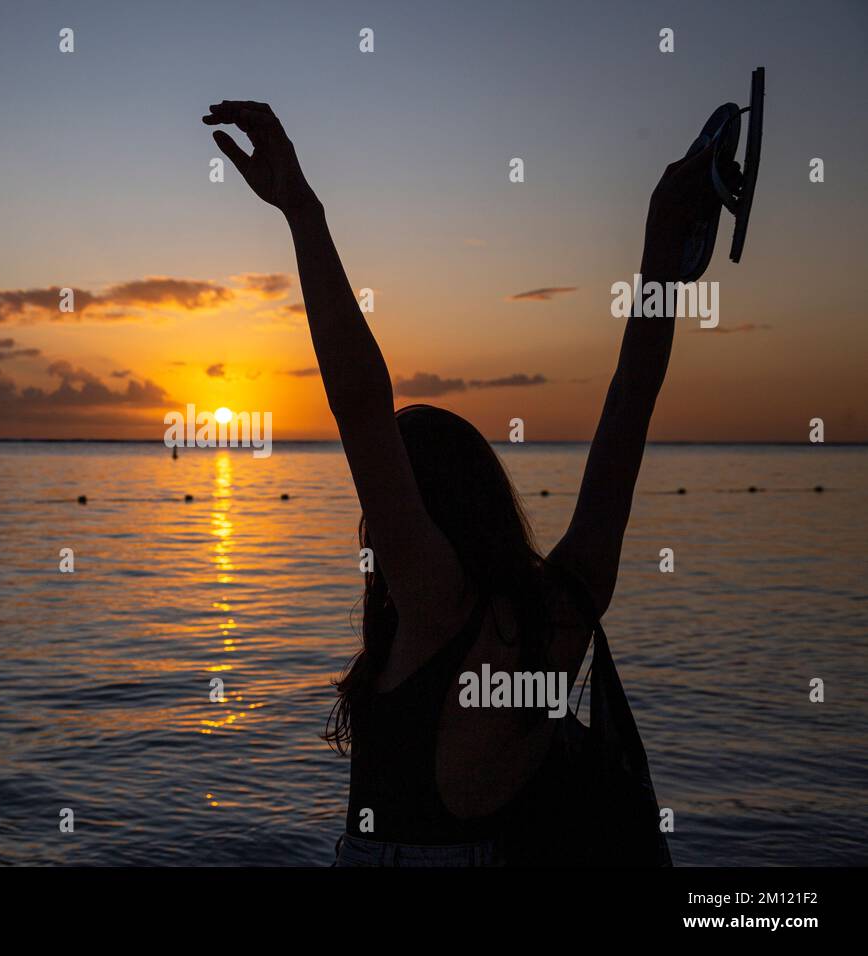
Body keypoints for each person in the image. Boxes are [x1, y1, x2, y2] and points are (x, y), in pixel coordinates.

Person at [203, 99, 721, 865]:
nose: (374, 519)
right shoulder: (567, 602)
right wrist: (662, 250)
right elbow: (628, 409)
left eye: (386, 502)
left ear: (418, 510)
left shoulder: (435, 604)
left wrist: (302, 211)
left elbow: (358, 402)